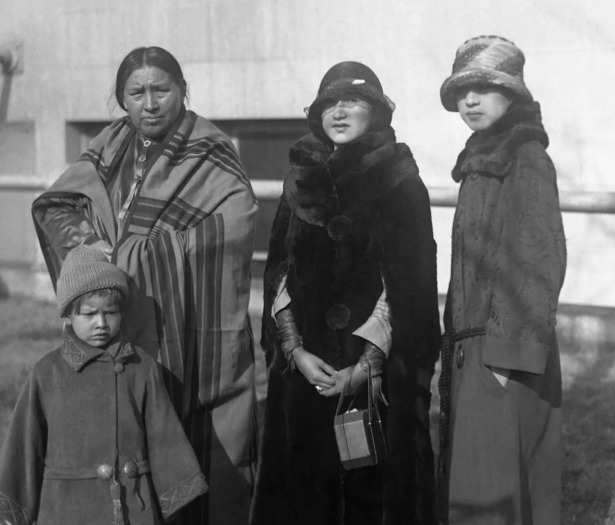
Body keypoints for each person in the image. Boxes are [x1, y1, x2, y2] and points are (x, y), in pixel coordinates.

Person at [31, 46, 258, 525]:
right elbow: (58, 203)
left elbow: (233, 224)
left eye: (162, 90)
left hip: (190, 338)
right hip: (113, 321)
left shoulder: (211, 150)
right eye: (136, 93)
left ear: (182, 90)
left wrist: (134, 256)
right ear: (121, 99)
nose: (150, 103)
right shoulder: (109, 146)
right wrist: (94, 247)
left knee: (197, 445)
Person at [251, 61, 441, 525]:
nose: (339, 112)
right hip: (304, 372)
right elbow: (279, 270)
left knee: (370, 496)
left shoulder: (401, 182)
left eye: (352, 102)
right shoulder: (299, 180)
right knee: (303, 492)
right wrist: (293, 349)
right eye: (330, 103)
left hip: (375, 377)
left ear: (376, 112)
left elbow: (409, 284)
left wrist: (368, 363)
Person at [437, 35, 567, 525]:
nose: (469, 100)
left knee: (497, 488)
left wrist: (506, 356)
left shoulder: (525, 157)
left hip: (504, 350)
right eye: (461, 92)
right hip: (476, 347)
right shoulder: (483, 158)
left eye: (483, 88)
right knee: (480, 483)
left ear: (512, 93)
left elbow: (538, 258)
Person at [0, 245, 207, 524]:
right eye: (89, 314)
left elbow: (164, 435)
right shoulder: (46, 374)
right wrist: (14, 510)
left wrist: (176, 496)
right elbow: (24, 445)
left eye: (110, 312)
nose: (101, 323)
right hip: (66, 508)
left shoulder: (141, 368)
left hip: (133, 507)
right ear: (69, 316)